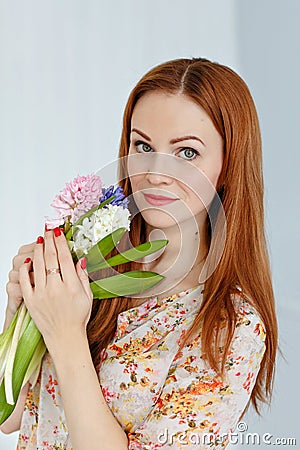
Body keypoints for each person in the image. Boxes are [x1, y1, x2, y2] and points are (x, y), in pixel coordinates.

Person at [0, 57, 277, 449]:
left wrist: (65, 334)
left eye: (186, 153)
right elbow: (10, 416)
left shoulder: (230, 328)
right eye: (143, 145)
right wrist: (22, 312)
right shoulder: (90, 258)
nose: (156, 172)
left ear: (228, 163)